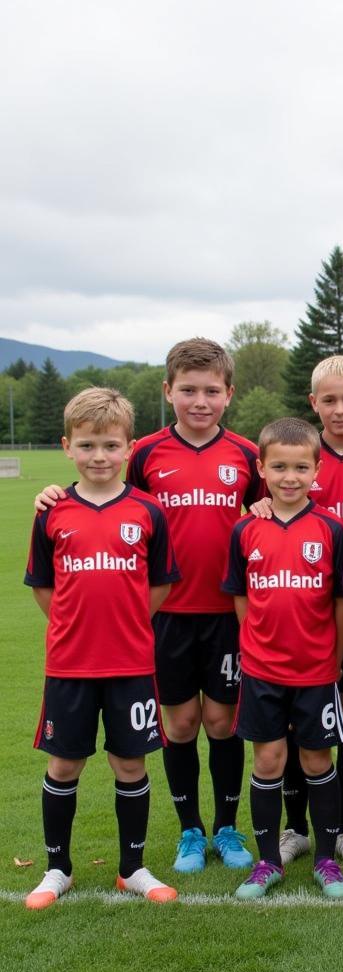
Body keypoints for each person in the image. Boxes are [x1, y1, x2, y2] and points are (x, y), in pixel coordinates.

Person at [33, 339, 263, 874]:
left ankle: (227, 829)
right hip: (165, 620)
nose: (199, 400)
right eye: (188, 390)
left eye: (211, 390)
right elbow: (104, 496)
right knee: (181, 724)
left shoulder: (249, 456)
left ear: (229, 393)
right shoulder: (145, 454)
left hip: (230, 613)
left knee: (223, 722)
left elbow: (272, 508)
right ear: (168, 391)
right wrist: (53, 494)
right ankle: (189, 832)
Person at [24, 387, 181, 908]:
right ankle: (57, 868)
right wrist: (75, 624)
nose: (99, 457)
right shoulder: (52, 512)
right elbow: (45, 587)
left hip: (132, 661)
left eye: (110, 446)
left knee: (130, 764)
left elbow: (159, 584)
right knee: (64, 765)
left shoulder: (148, 512)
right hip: (70, 663)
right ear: (67, 446)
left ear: (129, 448)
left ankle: (132, 867)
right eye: (88, 445)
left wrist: (127, 622)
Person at [254, 355, 343, 869]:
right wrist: (258, 506)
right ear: (314, 404)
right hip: (301, 626)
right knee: (289, 730)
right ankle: (294, 827)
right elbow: (258, 511)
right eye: (329, 400)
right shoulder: (297, 454)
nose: (340, 409)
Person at [224, 418, 343, 900]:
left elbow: (341, 603)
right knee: (269, 759)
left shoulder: (331, 530)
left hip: (316, 670)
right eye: (279, 466)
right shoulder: (245, 530)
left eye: (301, 467)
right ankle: (267, 863)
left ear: (317, 471)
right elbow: (242, 598)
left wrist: (334, 660)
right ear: (262, 468)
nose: (290, 477)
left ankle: (325, 858)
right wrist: (254, 646)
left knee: (317, 759)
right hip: (262, 671)